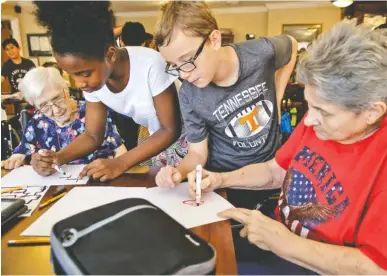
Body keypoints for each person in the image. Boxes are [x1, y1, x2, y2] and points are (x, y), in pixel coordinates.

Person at [186, 21, 387, 274]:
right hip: (276, 237)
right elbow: (276, 171)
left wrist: (285, 243)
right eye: (310, 106)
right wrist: (220, 179)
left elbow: (376, 267)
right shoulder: (319, 121)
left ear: (372, 112)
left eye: (323, 112)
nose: (309, 120)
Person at [154, 1, 297, 209]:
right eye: (175, 66)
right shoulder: (189, 94)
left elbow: (291, 45)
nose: (183, 74)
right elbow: (198, 153)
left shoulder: (261, 53)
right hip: (221, 183)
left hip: (270, 177)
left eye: (187, 60)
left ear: (214, 39)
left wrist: (276, 94)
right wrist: (179, 171)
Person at [31, 1, 182, 181]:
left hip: (192, 140)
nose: (79, 84)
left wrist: (120, 163)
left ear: (110, 55)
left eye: (84, 74)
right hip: (158, 142)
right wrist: (58, 157)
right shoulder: (95, 80)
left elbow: (169, 129)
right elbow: (93, 135)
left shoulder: (151, 64)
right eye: (71, 75)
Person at [1, 67, 125, 171]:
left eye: (57, 99)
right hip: (56, 187)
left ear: (66, 90)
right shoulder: (37, 122)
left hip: (95, 182)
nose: (56, 110)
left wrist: (114, 168)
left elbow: (121, 151)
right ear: (34, 105)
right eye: (44, 106)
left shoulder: (94, 112)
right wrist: (14, 160)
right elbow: (21, 152)